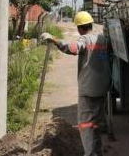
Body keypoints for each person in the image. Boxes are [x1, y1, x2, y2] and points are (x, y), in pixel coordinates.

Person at [41, 11, 110, 156]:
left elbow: (72, 48)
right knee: (96, 123)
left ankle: (90, 153)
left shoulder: (85, 39)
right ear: (90, 24)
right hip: (103, 87)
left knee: (86, 125)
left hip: (88, 89)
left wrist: (54, 39)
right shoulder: (102, 38)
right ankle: (97, 152)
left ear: (79, 28)